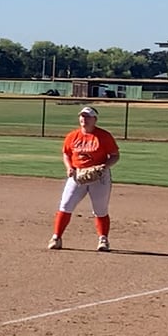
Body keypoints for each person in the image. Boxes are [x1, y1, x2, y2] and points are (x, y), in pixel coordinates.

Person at [50, 105, 120, 252]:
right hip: (77, 175)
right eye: (82, 116)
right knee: (65, 205)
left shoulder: (104, 136)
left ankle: (103, 240)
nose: (84, 119)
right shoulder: (72, 136)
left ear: (95, 119)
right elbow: (66, 154)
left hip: (99, 177)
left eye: (88, 116)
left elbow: (115, 155)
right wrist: (69, 167)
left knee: (100, 209)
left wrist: (104, 167)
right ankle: (56, 237)